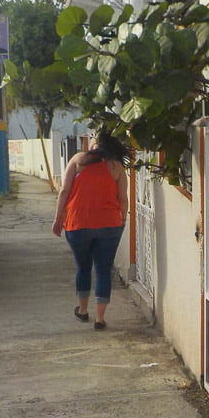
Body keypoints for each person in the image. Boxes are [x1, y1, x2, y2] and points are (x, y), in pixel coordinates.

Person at [52, 131, 129, 330]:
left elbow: (64, 191)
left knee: (83, 266)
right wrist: (123, 217)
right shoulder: (117, 167)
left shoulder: (78, 160)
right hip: (109, 224)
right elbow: (123, 198)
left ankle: (84, 310)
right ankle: (100, 319)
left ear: (95, 145)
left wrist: (58, 218)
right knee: (103, 269)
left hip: (78, 223)